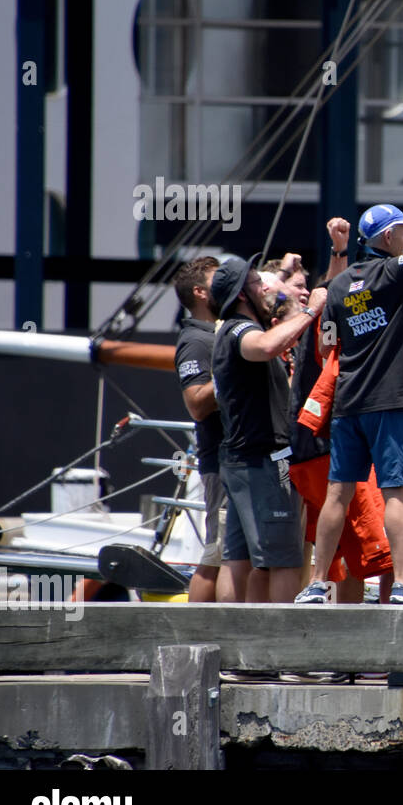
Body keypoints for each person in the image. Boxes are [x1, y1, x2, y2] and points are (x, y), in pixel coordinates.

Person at [295, 171, 403, 605]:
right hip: (388, 399)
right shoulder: (393, 272)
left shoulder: (342, 283)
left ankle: (314, 585)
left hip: (348, 401)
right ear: (387, 236)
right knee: (397, 491)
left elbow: (330, 333)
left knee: (337, 493)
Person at [209, 253, 327, 603]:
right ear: (243, 295)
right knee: (284, 560)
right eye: (257, 283)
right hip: (264, 459)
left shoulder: (239, 326)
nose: (266, 288)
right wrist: (310, 312)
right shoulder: (240, 329)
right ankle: (282, 646)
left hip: (245, 459)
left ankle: (232, 638)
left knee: (239, 558)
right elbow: (264, 346)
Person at [172, 256, 233, 603]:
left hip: (236, 458)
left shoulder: (217, 333)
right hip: (221, 459)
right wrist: (230, 369)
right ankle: (199, 630)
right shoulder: (195, 340)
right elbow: (196, 402)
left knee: (231, 552)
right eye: (217, 280)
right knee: (218, 553)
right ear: (199, 292)